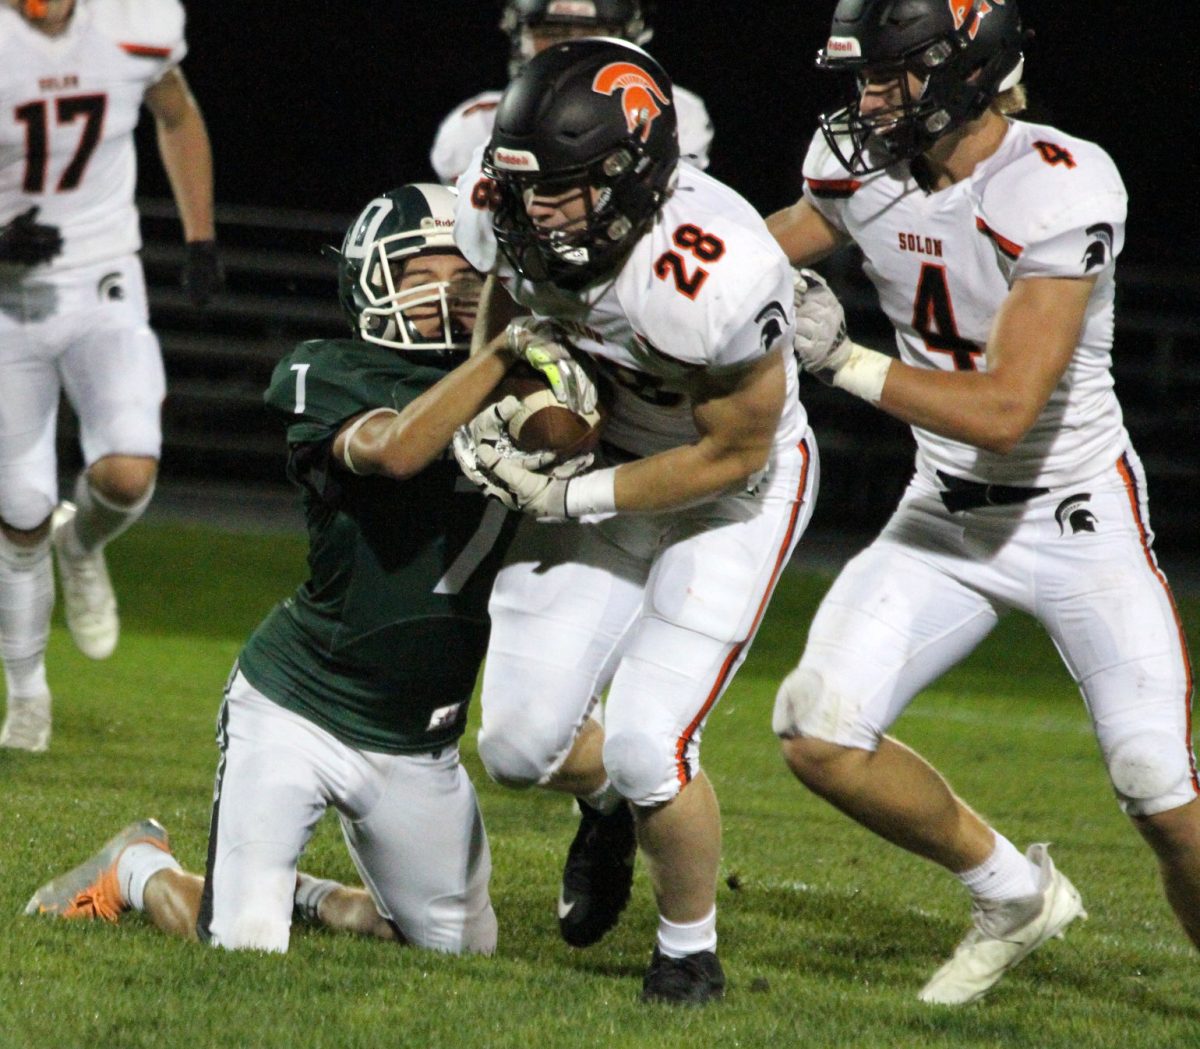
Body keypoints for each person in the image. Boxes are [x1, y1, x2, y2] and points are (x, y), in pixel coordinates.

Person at [766, 0, 1198, 1005]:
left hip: (1076, 513)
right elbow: (754, 256)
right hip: (944, 516)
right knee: (816, 727)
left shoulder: (1058, 181)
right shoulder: (855, 164)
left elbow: (1005, 409)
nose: (868, 97)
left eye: (893, 74)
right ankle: (1013, 891)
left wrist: (840, 359)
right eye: (863, 76)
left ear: (966, 71)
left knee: (1160, 790)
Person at [25, 183, 528, 955]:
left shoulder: (517, 383)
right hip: (299, 706)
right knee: (242, 942)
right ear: (371, 280)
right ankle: (135, 867)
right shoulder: (331, 369)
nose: (452, 292)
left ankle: (312, 894)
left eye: (469, 274)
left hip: (419, 739)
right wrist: (503, 354)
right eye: (424, 272)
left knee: (455, 948)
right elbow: (397, 449)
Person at [452, 38, 818, 1003]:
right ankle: (608, 806)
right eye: (526, 186)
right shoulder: (507, 206)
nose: (540, 211)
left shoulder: (715, 270)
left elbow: (734, 451)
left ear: (637, 171)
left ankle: (687, 948)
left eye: (566, 188)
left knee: (651, 740)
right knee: (519, 745)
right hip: (610, 454)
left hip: (735, 492)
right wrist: (514, 399)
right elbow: (502, 302)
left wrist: (568, 495)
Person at [0, 0, 221, 752]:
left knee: (128, 472)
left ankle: (84, 543)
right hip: (5, 298)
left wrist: (199, 235)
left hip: (102, 278)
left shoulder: (136, 20)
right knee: (20, 507)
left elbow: (177, 114)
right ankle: (27, 693)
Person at [429, 0, 713, 186]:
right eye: (552, 33)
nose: (570, 48)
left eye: (592, 34)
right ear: (519, 36)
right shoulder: (473, 126)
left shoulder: (668, 109)